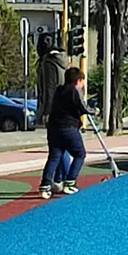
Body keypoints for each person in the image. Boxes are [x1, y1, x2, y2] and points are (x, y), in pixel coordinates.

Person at [39, 67, 92, 199]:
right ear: (78, 81)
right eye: (82, 82)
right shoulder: (74, 91)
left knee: (55, 156)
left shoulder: (59, 90)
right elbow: (81, 106)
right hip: (68, 127)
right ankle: (70, 182)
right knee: (80, 154)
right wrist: (93, 110)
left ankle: (45, 186)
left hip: (53, 128)